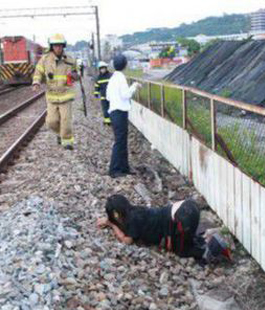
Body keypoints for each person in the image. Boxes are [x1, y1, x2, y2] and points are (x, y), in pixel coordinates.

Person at [96, 194, 232, 263]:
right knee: (187, 239)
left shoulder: (132, 221)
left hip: (182, 216)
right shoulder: (136, 212)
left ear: (116, 214)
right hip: (185, 207)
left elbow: (127, 240)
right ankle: (211, 241)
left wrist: (111, 224)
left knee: (183, 250)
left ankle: (213, 250)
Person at [32, 33, 79, 150]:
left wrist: (75, 75)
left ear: (63, 46)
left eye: (60, 45)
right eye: (55, 46)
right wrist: (36, 82)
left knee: (66, 121)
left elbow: (77, 74)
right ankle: (60, 134)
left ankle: (67, 142)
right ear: (52, 47)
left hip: (66, 95)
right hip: (52, 96)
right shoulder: (45, 60)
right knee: (51, 122)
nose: (58, 48)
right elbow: (38, 72)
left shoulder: (70, 60)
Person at [106, 54, 141, 178]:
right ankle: (114, 170)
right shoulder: (121, 78)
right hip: (119, 112)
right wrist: (134, 86)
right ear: (125, 65)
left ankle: (124, 168)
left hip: (115, 112)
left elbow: (108, 96)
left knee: (122, 141)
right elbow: (126, 95)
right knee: (120, 141)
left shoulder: (113, 78)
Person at [93, 61, 112, 126]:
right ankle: (107, 121)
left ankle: (112, 120)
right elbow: (97, 86)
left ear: (106, 68)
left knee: (111, 108)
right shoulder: (98, 77)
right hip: (103, 96)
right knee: (105, 109)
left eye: (103, 68)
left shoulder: (111, 75)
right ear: (99, 69)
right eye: (101, 68)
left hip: (111, 96)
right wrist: (96, 92)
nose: (102, 70)